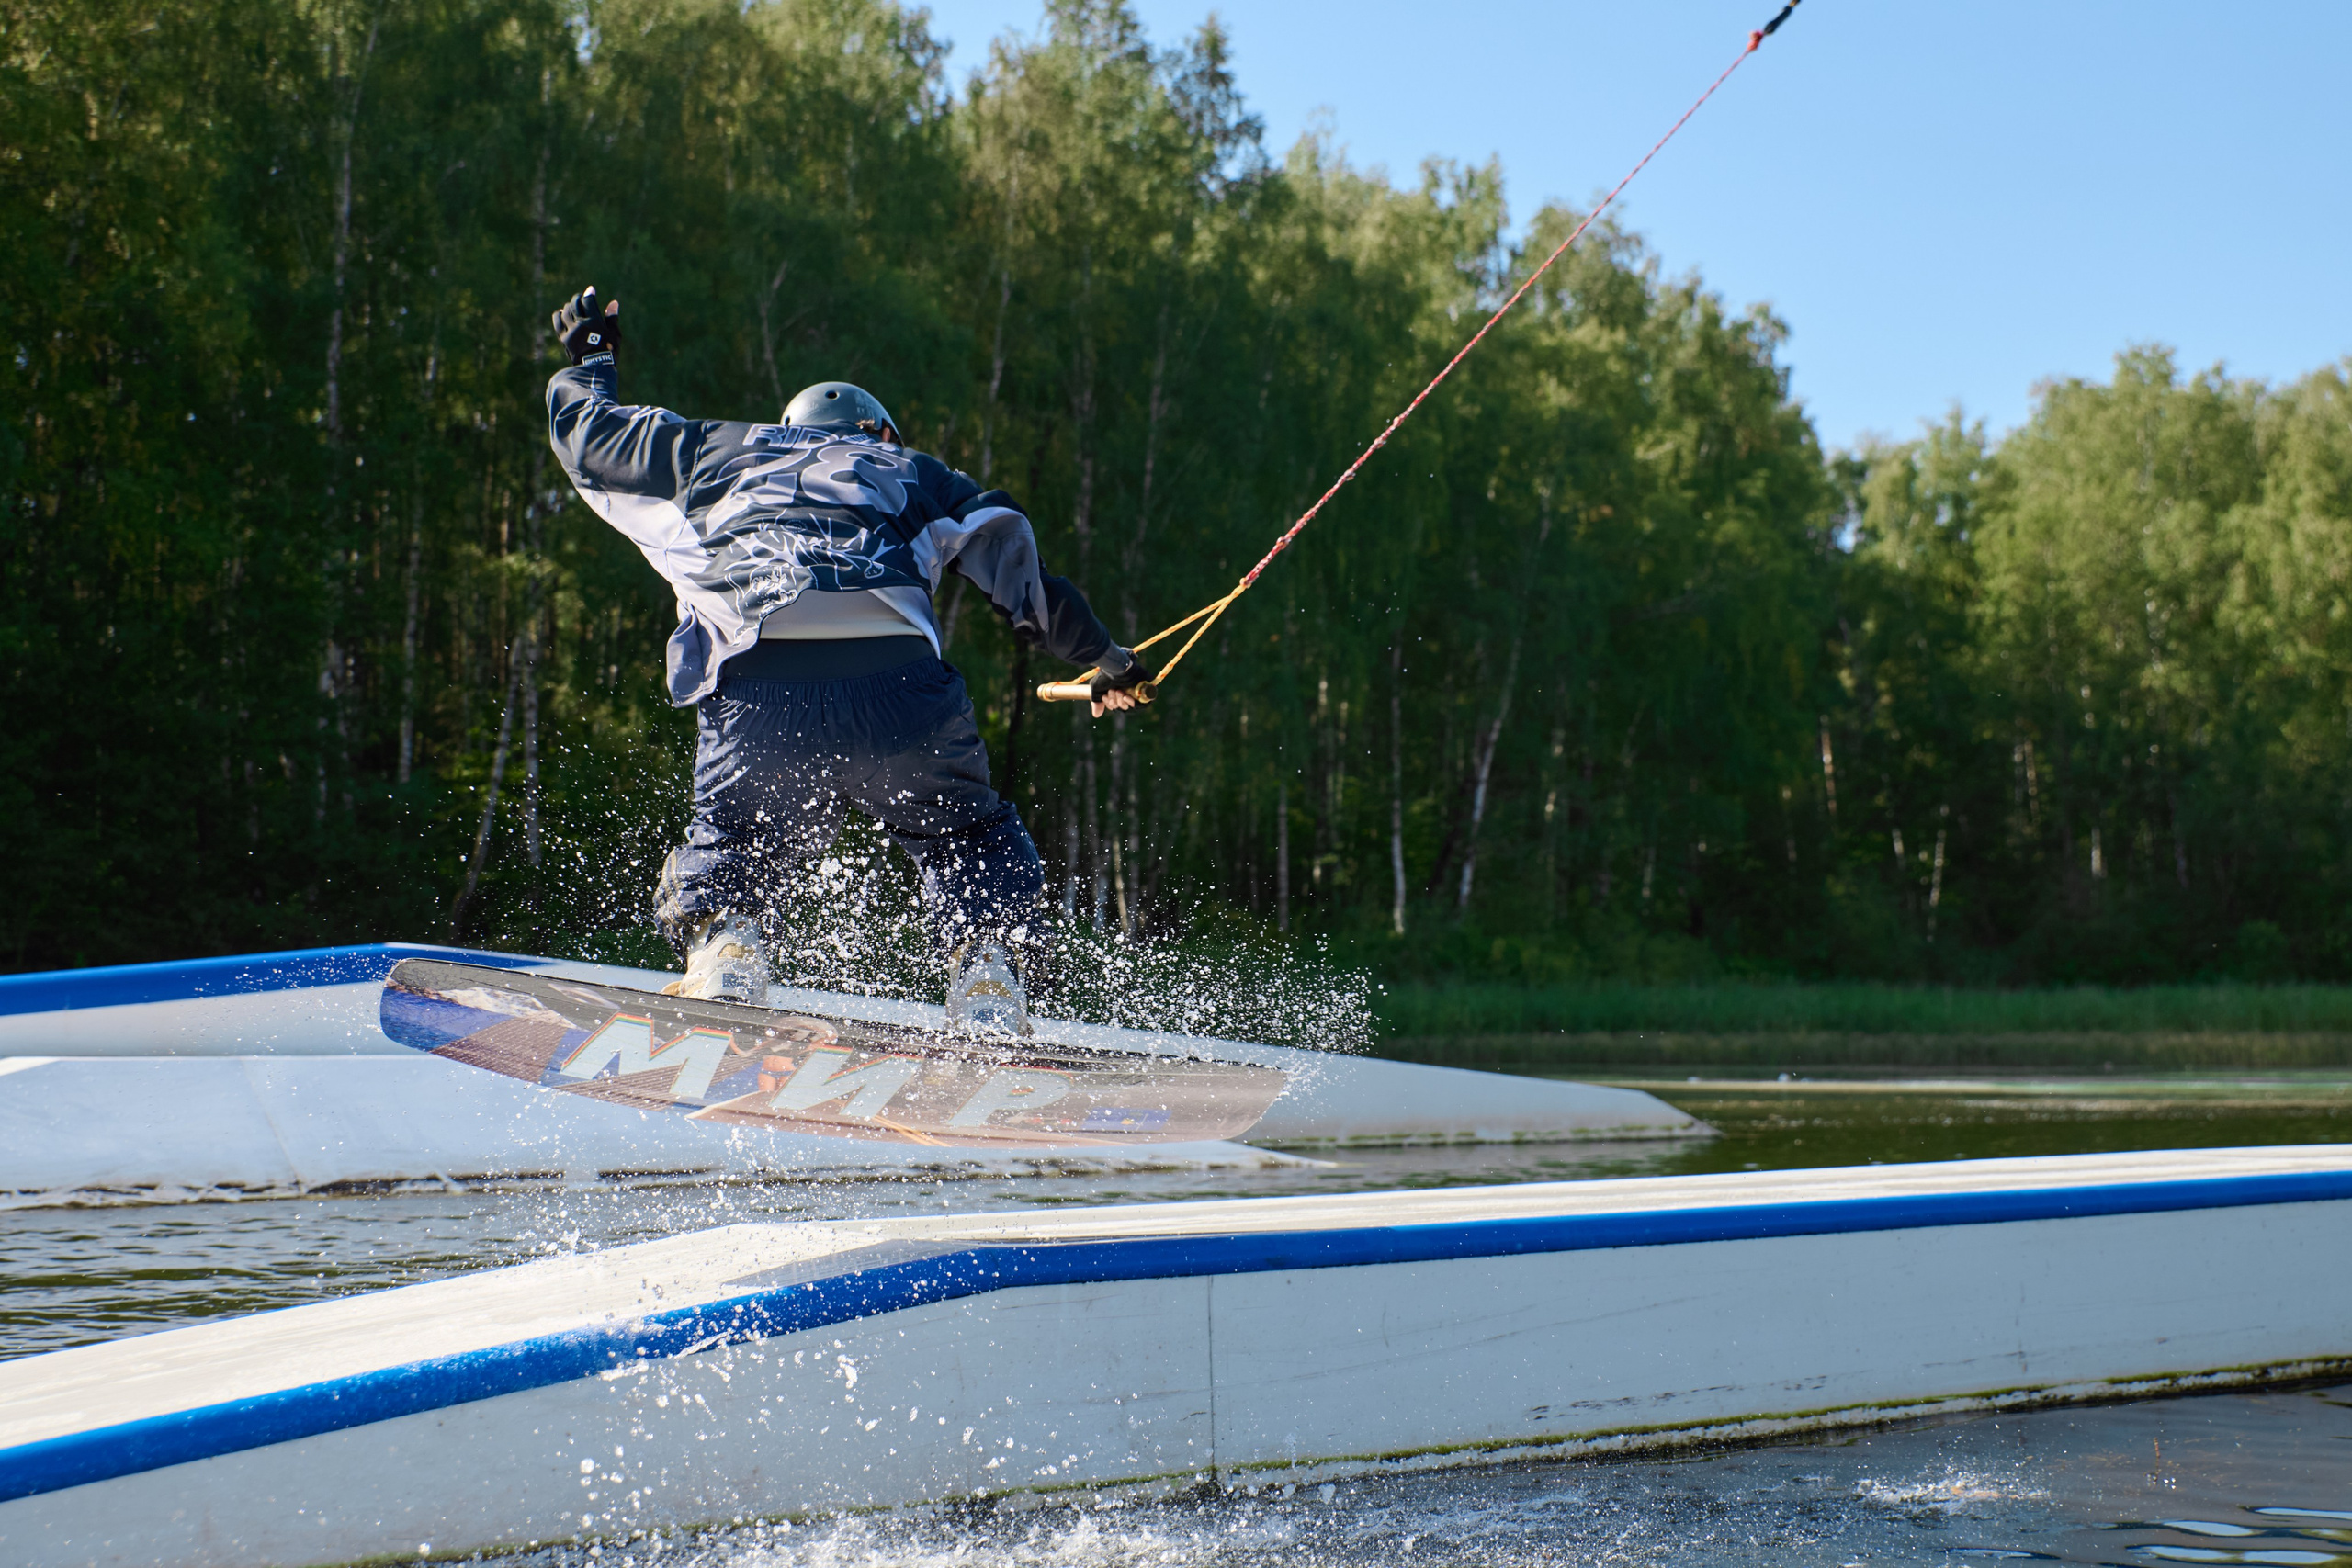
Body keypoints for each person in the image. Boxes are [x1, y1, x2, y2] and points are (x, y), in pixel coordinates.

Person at [544, 287, 1150, 1032]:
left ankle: (729, 950)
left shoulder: (709, 452)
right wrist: (1108, 660)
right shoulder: (909, 471)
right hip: (899, 691)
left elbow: (591, 437)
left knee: (737, 836)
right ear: (879, 432)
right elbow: (1017, 566)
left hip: (757, 690)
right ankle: (988, 977)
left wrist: (591, 358)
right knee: (964, 835)